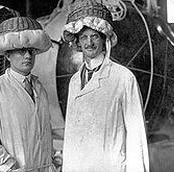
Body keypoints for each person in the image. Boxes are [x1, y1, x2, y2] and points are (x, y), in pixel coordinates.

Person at [62, 1, 150, 172]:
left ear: (104, 39)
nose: (89, 43)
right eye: (84, 37)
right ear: (77, 43)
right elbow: (70, 135)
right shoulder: (74, 81)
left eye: (95, 36)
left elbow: (136, 133)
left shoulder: (123, 78)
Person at [0, 17, 56, 172]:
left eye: (31, 51)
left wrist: (51, 159)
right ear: (8, 55)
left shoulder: (39, 88)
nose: (28, 56)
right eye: (21, 51)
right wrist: (8, 165)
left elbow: (43, 134)